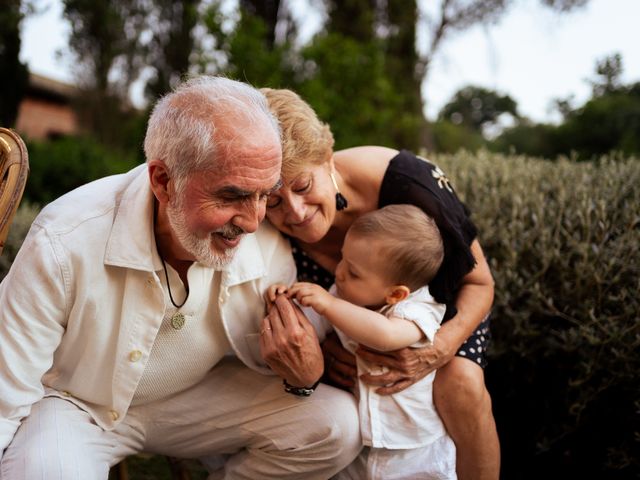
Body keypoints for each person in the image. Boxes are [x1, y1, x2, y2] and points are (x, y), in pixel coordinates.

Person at [0, 76, 361, 479]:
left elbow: (280, 348)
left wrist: (306, 373)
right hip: (75, 406)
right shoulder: (64, 239)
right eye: (232, 196)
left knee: (335, 424)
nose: (254, 221)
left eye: (265, 195)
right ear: (163, 181)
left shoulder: (268, 237)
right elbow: (4, 388)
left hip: (192, 401)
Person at [261, 87, 500, 479]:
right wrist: (321, 351)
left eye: (303, 187)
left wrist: (435, 349)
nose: (295, 212)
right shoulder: (258, 220)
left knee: (461, 383)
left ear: (326, 159)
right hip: (340, 319)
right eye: (273, 200)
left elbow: (479, 284)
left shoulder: (409, 182)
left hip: (431, 306)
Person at [267, 204, 457, 479]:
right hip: (363, 443)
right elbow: (310, 328)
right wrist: (286, 302)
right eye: (342, 259)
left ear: (396, 294)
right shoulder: (341, 295)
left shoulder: (419, 309)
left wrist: (328, 305)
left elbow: (385, 335)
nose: (340, 272)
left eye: (354, 272)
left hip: (414, 449)